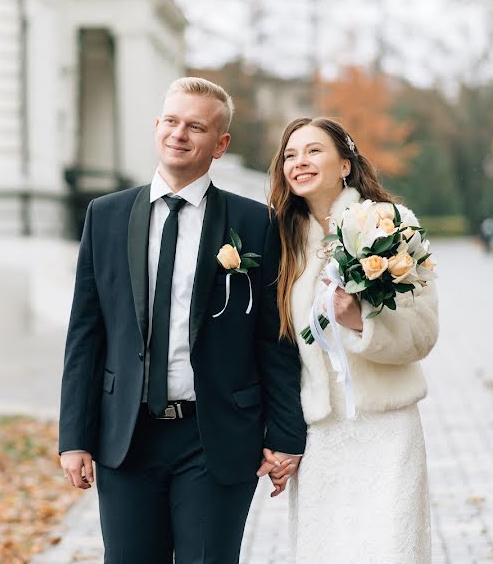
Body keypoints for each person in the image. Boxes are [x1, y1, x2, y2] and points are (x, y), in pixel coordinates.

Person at [57, 77, 307, 564]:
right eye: (171, 121)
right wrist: (74, 437)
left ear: (221, 144)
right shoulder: (104, 216)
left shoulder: (255, 222)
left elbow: (273, 339)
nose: (180, 134)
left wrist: (285, 436)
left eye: (196, 126)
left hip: (214, 436)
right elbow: (85, 335)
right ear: (157, 127)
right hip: (125, 437)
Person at [266, 117, 439, 563]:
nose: (299, 162)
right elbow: (274, 348)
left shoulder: (391, 225)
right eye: (290, 154)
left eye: (313, 151)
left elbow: (423, 333)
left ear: (345, 164)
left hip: (386, 428)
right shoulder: (282, 240)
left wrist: (361, 322)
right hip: (321, 435)